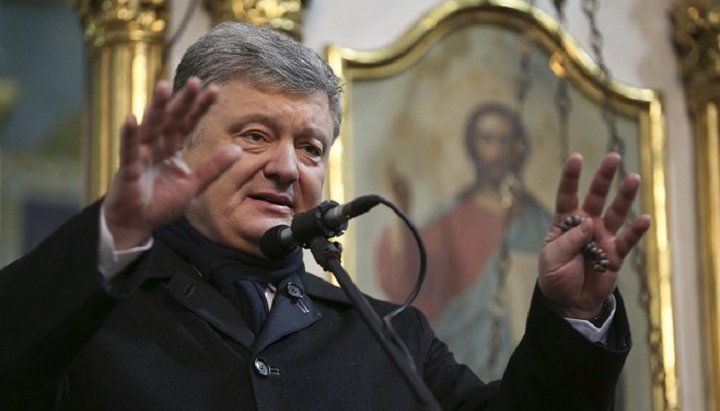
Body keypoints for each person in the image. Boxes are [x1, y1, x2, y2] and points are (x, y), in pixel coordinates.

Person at [0, 22, 650, 410]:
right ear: (182, 144)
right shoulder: (90, 313)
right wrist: (114, 232)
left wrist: (574, 319)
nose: (289, 167)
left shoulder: (387, 334)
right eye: (255, 135)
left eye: (310, 147)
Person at [375, 102, 553, 379]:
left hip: (535, 373)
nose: (497, 152)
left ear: (519, 148)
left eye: (505, 140)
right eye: (487, 139)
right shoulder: (452, 220)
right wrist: (401, 213)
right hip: (468, 370)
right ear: (473, 148)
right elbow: (407, 279)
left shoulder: (540, 222)